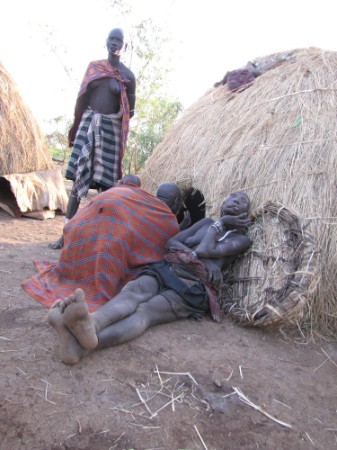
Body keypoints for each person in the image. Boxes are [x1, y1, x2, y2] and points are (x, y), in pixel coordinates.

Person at [46, 191, 252, 364]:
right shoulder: (206, 222)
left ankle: (82, 348)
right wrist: (194, 255)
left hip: (192, 286)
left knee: (145, 312)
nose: (235, 201)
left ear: (246, 213)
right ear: (223, 203)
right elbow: (172, 242)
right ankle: (92, 323)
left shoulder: (241, 239)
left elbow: (207, 249)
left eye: (241, 201)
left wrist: (219, 226)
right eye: (231, 198)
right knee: (132, 292)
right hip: (168, 267)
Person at [23, 182, 182, 312]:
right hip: (107, 232)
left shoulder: (140, 197)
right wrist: (182, 229)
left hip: (80, 225)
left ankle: (75, 272)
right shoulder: (166, 218)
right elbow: (164, 249)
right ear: (176, 203)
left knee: (108, 241)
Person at [49, 27, 136, 249]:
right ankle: (66, 235)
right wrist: (82, 122)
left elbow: (130, 111)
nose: (114, 43)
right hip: (88, 126)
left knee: (106, 187)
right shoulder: (94, 68)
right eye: (112, 38)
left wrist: (111, 121)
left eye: (119, 40)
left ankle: (99, 239)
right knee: (79, 181)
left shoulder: (128, 77)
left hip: (110, 132)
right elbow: (82, 97)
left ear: (125, 46)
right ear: (106, 41)